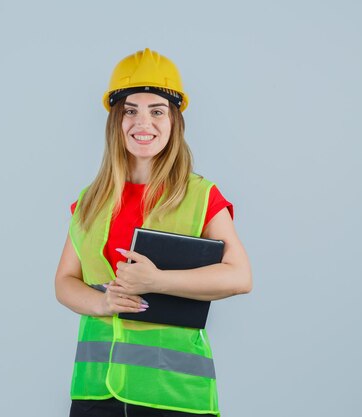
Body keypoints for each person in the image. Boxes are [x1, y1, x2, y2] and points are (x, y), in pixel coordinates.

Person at [54, 48, 252, 417]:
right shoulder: (90, 199)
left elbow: (240, 276)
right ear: (116, 121)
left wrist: (157, 280)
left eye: (157, 111)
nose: (142, 123)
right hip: (95, 393)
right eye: (130, 111)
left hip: (172, 395)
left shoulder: (200, 195)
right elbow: (64, 280)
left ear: (174, 121)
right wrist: (101, 304)